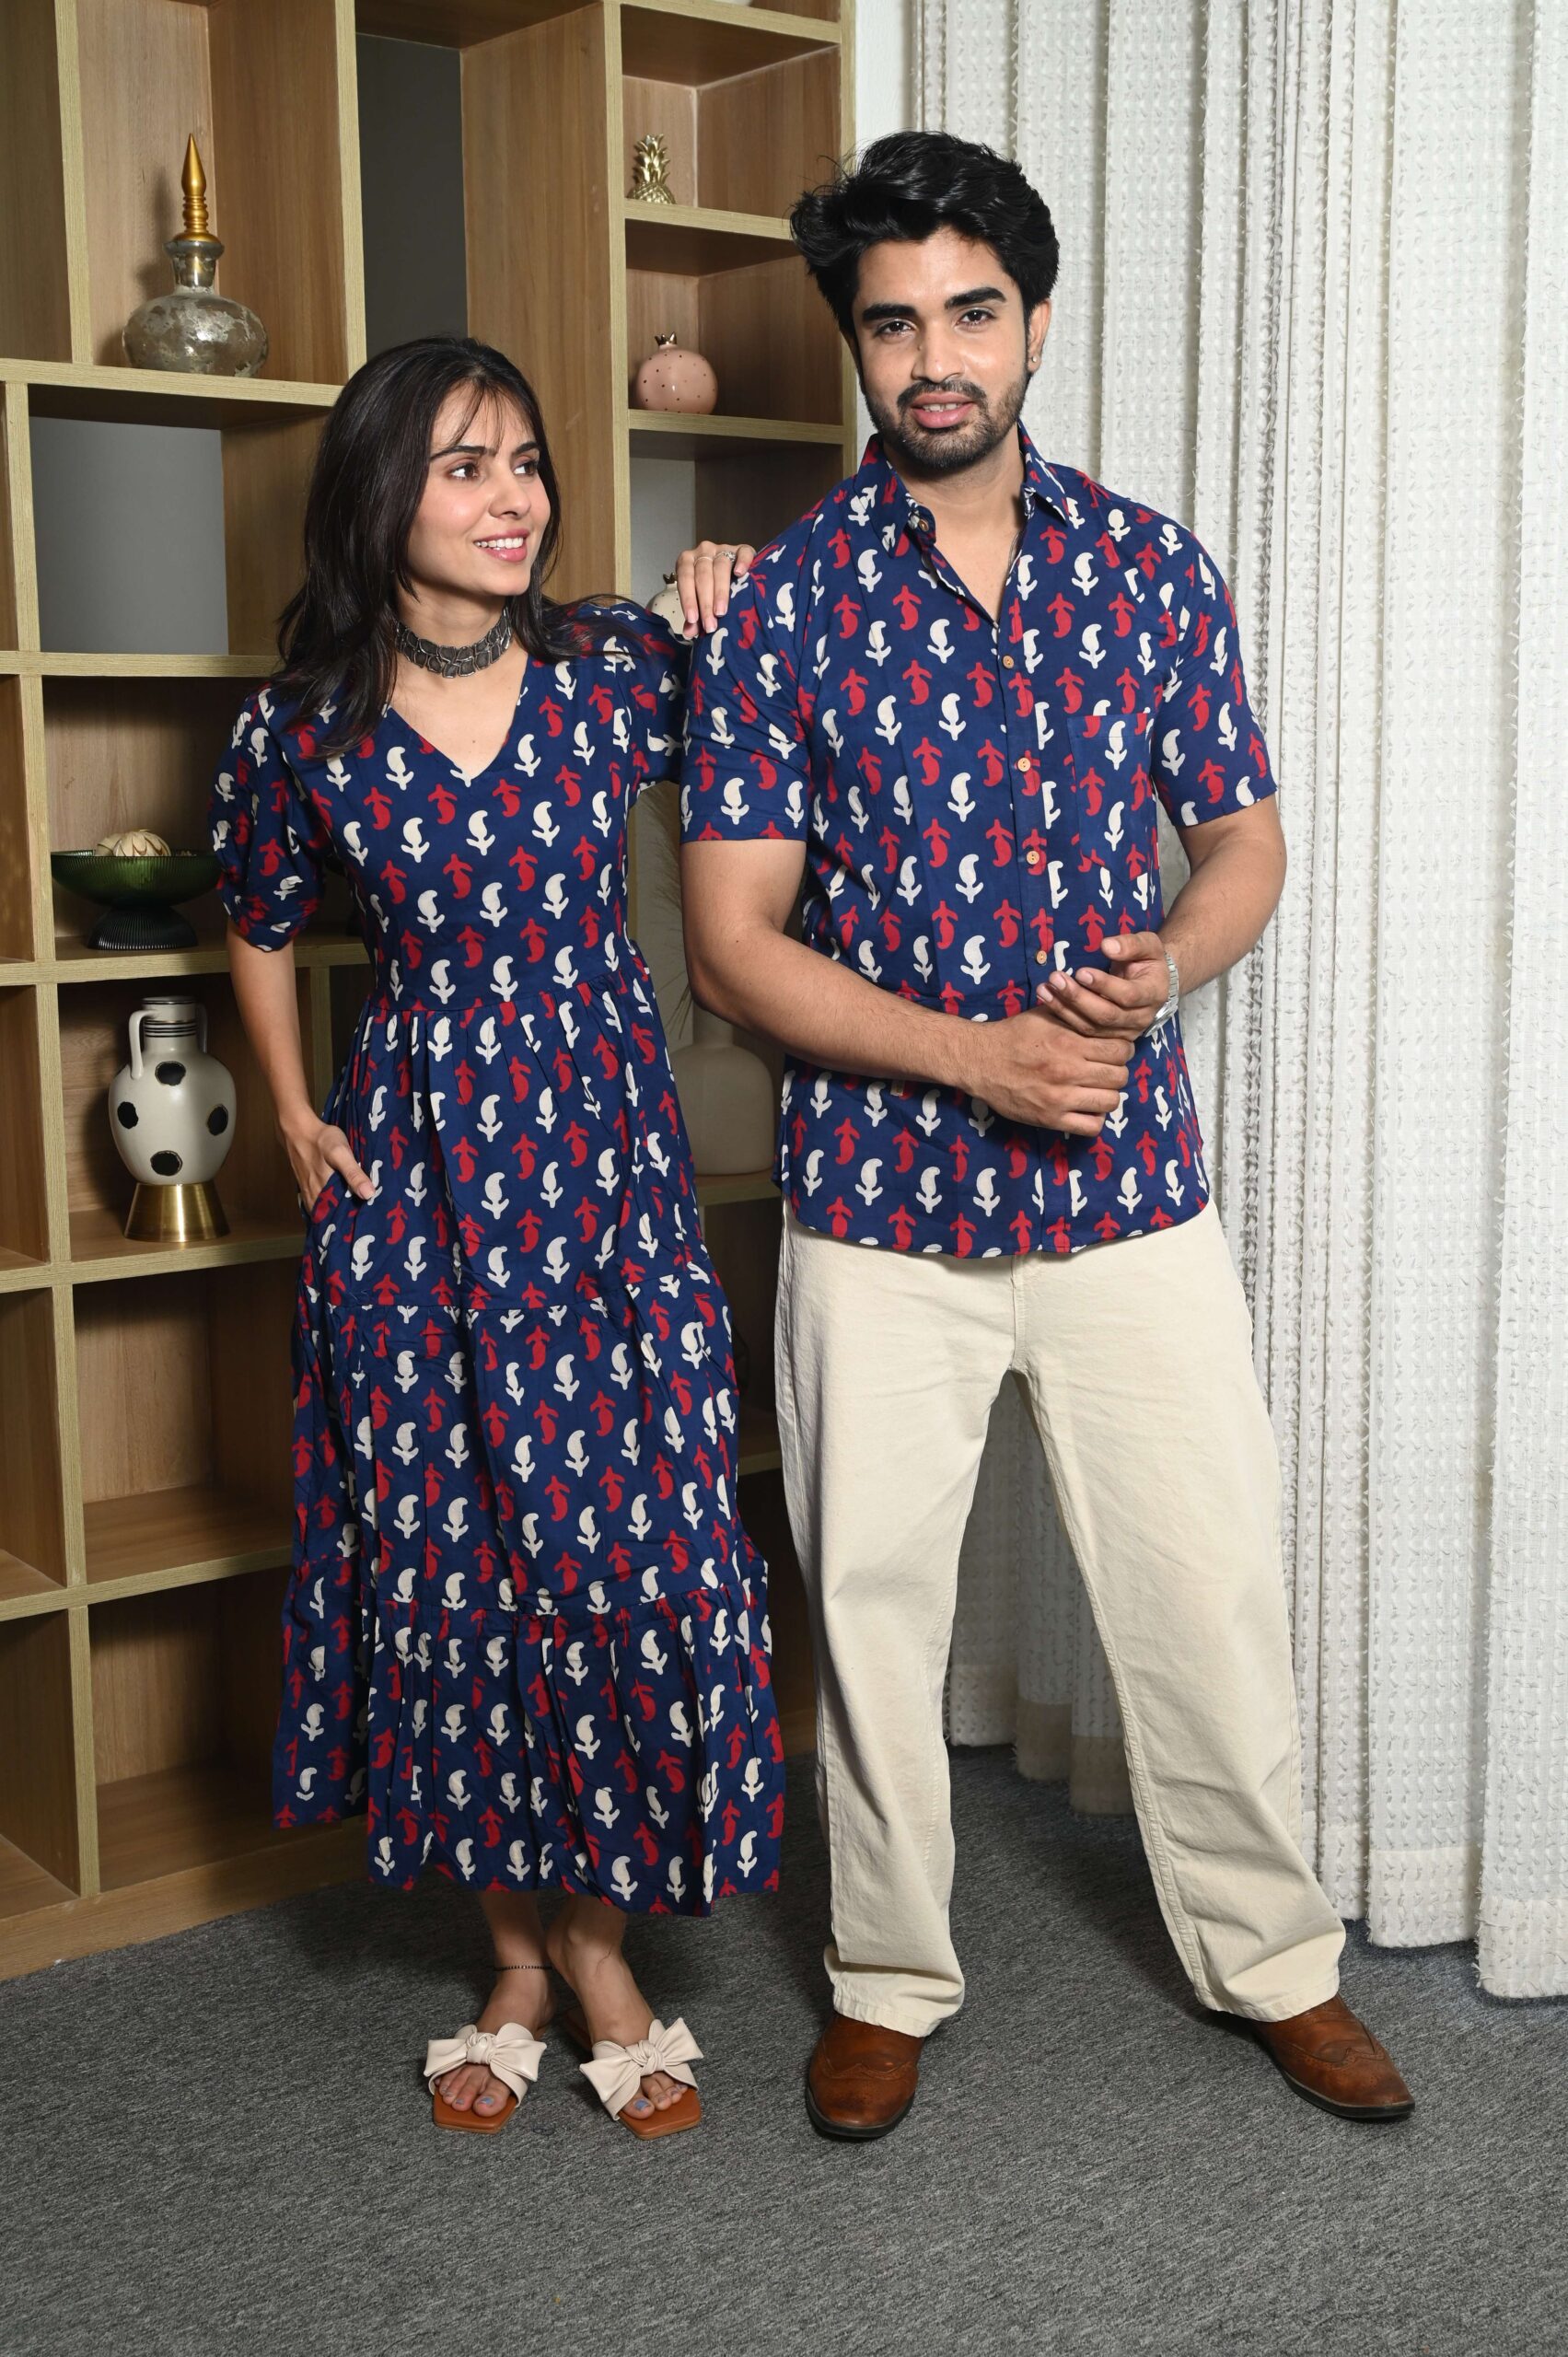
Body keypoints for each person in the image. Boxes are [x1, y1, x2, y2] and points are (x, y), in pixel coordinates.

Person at [673, 132, 1413, 2133]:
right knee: (871, 1616)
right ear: (853, 344)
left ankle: (1276, 1963)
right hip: (877, 1211)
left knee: (1209, 1596)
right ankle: (885, 1977)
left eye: (971, 313)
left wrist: (1172, 959)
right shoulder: (781, 607)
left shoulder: (1153, 567)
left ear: (1036, 324)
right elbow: (734, 943)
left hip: (1125, 1192)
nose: (935, 358)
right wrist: (973, 1059)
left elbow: (1242, 840)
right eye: (893, 323)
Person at [210, 334, 782, 2141]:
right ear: (383, 492)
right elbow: (255, 913)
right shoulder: (299, 727)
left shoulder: (613, 669)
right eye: (467, 465)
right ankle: (517, 1959)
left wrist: (723, 582)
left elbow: (779, 710)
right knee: (448, 1555)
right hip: (420, 1188)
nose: (514, 495)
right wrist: (290, 1108)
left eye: (526, 461)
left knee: (629, 1541)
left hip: (604, 1171)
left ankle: (602, 1948)